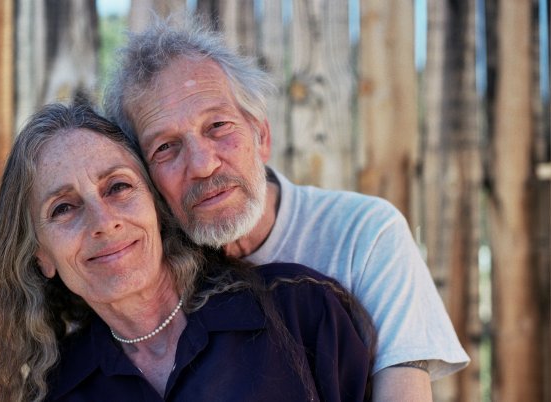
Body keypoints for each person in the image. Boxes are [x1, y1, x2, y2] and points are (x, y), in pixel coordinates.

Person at [103, 15, 470, 401]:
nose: (202, 164)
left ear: (261, 135)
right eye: (165, 147)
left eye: (218, 126)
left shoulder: (364, 234)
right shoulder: (151, 276)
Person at [0, 101, 377, 402]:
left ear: (156, 205)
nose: (103, 221)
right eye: (64, 208)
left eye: (118, 187)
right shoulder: (60, 390)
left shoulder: (300, 311)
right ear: (41, 256)